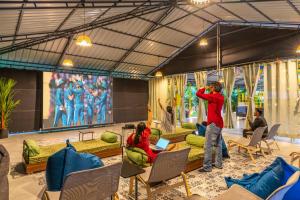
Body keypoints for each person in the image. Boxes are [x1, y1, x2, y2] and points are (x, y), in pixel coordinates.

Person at [196, 81, 224, 172]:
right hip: (219, 123)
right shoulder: (220, 97)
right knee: (218, 144)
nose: (210, 89)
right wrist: (211, 89)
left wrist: (205, 88)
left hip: (212, 123)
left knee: (207, 145)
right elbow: (210, 94)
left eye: (211, 87)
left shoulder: (212, 97)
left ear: (214, 88)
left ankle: (207, 167)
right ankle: (218, 164)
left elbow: (198, 94)